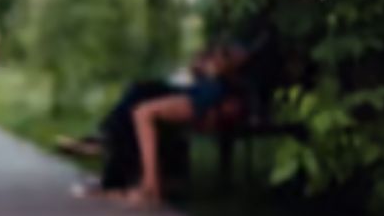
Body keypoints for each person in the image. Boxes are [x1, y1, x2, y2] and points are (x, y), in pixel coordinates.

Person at [59, 43, 247, 207]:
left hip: (210, 96)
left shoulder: (251, 45)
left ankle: (145, 186)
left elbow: (236, 67)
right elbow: (202, 67)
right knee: (138, 91)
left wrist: (220, 66)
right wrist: (201, 65)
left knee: (142, 111)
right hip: (198, 89)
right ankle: (112, 167)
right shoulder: (232, 41)